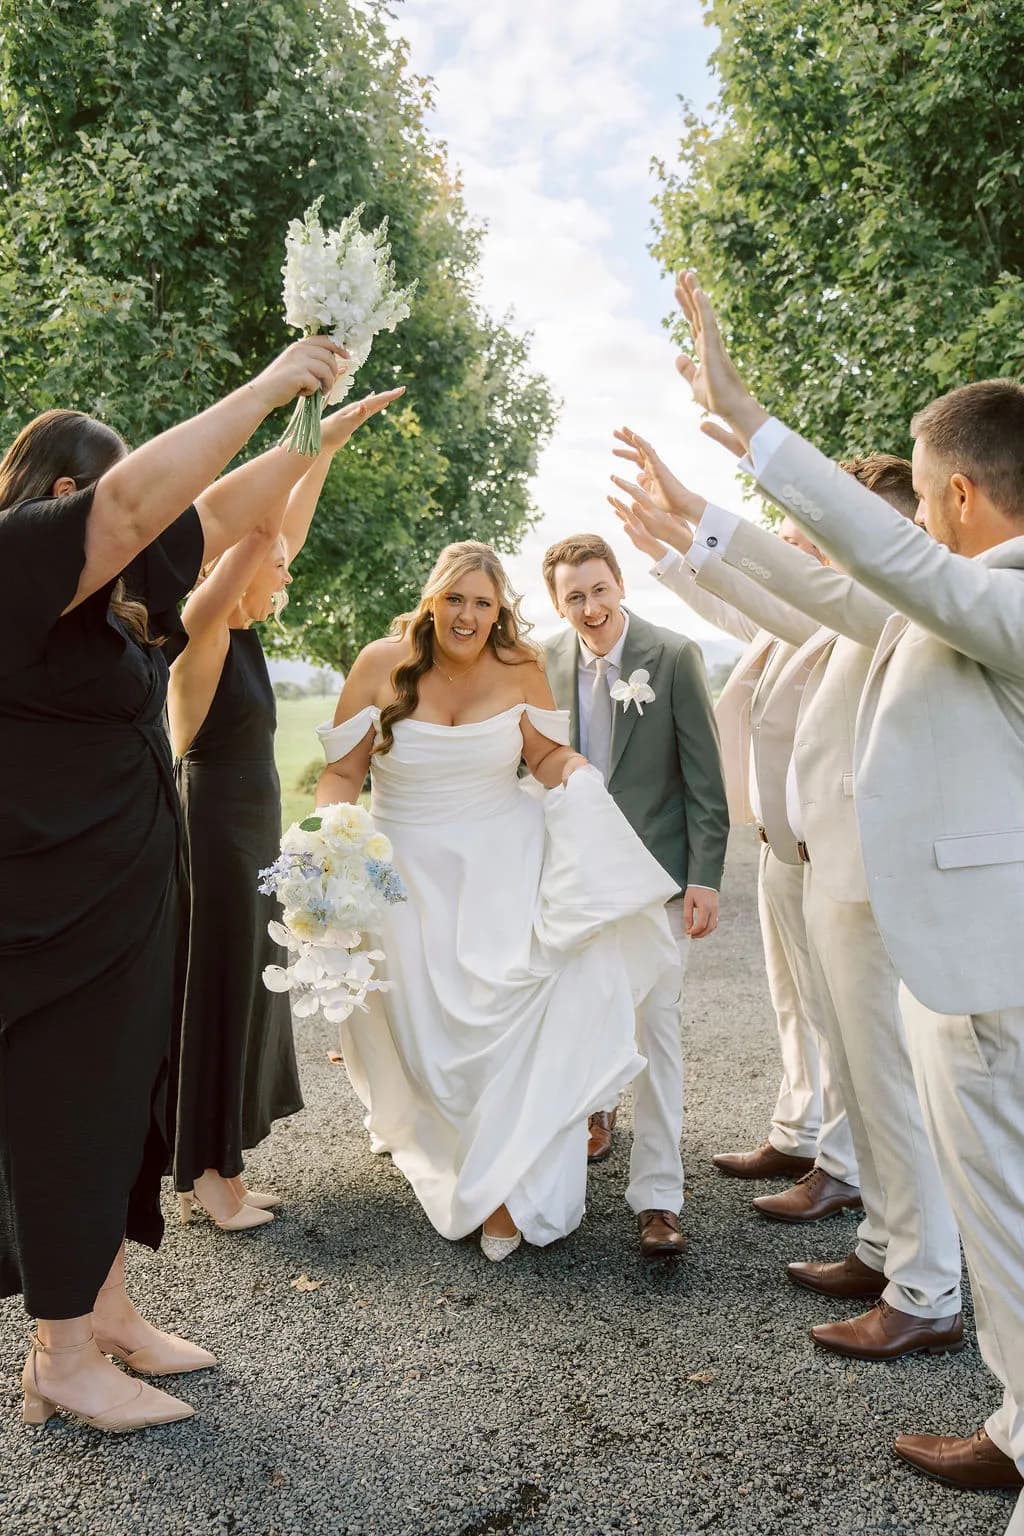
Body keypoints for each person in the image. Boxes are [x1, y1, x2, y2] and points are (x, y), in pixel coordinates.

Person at [670, 269, 1024, 1515]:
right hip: (951, 961)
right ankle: (1018, 1417)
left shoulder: (1010, 594)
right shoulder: (967, 600)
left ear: (961, 495)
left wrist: (752, 422)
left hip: (985, 968)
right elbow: (833, 590)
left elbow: (875, 566)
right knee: (998, 1221)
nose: (913, 522)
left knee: (1010, 1223)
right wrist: (700, 527)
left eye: (923, 500)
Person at [0, 333, 347, 1432]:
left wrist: (315, 426)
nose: (138, 525)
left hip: (128, 907)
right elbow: (144, 501)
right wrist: (268, 383)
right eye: (110, 497)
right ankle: (58, 1354)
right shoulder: (14, 562)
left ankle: (102, 1309)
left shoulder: (105, 607)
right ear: (63, 493)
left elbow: (223, 510)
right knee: (69, 1111)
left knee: (122, 1110)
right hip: (51, 919)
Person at [617, 436, 965, 1359]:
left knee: (891, 1090)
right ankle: (888, 1245)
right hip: (823, 872)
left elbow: (793, 588)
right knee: (861, 1079)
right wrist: (680, 534)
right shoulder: (864, 614)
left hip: (867, 881)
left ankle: (927, 1288)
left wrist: (697, 515)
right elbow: (768, 594)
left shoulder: (900, 608)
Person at [315, 542, 679, 1262]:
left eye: (483, 602)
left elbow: (542, 756)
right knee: (428, 1032)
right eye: (456, 599)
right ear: (432, 599)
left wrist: (575, 773)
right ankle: (447, 1139)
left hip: (502, 864)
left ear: (499, 608)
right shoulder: (377, 664)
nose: (469, 615)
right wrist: (331, 836)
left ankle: (508, 1188)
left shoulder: (519, 667)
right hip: (406, 875)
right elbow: (341, 774)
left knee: (511, 1014)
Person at [170, 387, 404, 1232]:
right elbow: (264, 531)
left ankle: (222, 1166)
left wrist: (328, 441)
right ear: (240, 565)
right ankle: (205, 1176)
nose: (288, 571)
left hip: (246, 842)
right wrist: (304, 424)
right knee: (215, 999)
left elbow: (280, 533)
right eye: (275, 567)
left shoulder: (244, 633)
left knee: (240, 1000)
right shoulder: (198, 637)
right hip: (210, 843)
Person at [609, 458, 860, 1210]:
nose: (782, 552)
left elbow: (745, 584)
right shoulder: (778, 625)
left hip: (829, 850)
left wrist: (691, 524)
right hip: (782, 846)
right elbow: (723, 599)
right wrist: (661, 546)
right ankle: (798, 1132)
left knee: (837, 1012)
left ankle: (841, 1166)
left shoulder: (835, 614)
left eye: (791, 542)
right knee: (793, 1002)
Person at [540, 534, 729, 1257]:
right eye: (573, 596)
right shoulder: (544, 663)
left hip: (655, 881)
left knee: (659, 1033)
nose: (589, 607)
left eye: (598, 589)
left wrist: (704, 876)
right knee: (576, 1016)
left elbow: (704, 780)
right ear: (558, 603)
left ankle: (659, 1197)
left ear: (619, 583)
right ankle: (582, 1133)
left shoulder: (674, 656)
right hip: (576, 883)